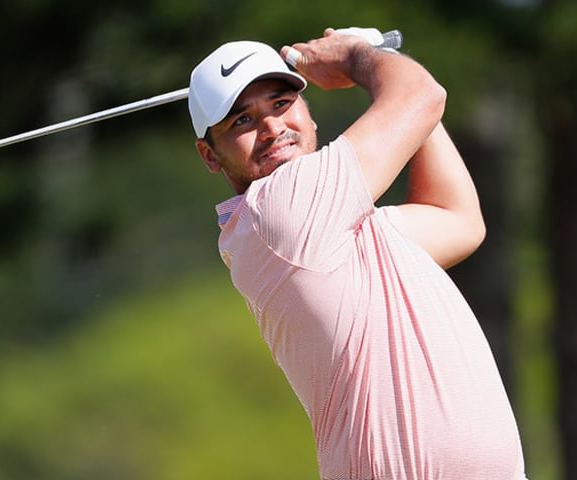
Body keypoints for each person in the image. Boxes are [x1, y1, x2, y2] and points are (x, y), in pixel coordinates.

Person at [187, 27, 528, 480]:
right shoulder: (278, 211)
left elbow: (457, 218)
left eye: (281, 103)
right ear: (210, 156)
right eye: (241, 121)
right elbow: (422, 94)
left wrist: (387, 67)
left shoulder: (332, 229)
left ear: (309, 115)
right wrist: (357, 56)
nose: (272, 127)